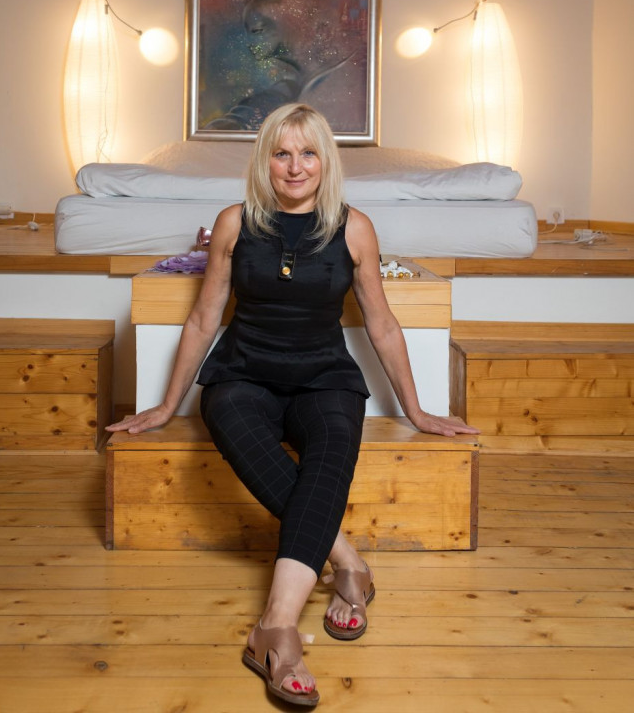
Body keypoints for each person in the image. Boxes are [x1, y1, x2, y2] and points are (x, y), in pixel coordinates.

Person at [107, 103, 478, 708]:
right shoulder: (234, 223)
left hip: (324, 378)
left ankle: (274, 627)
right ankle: (347, 564)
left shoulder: (355, 228)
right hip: (242, 375)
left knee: (331, 449)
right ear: (266, 161)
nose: (295, 166)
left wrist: (417, 411)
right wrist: (166, 405)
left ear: (325, 161)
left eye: (308, 153)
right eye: (282, 153)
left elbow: (382, 324)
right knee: (234, 421)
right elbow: (203, 318)